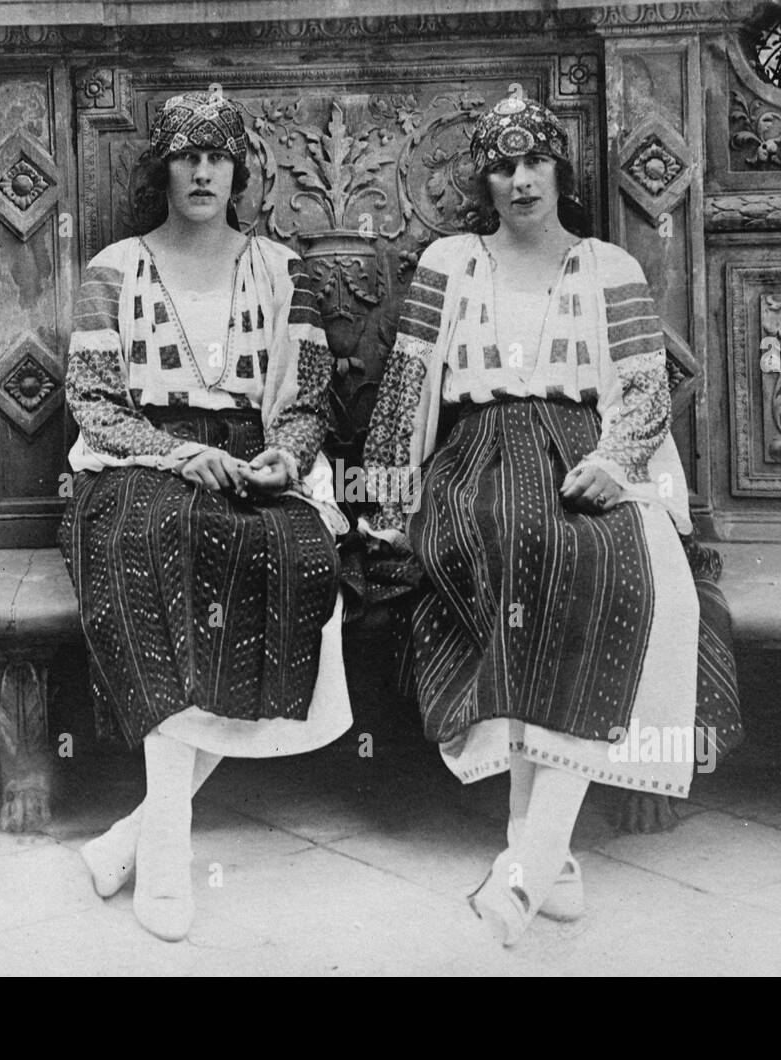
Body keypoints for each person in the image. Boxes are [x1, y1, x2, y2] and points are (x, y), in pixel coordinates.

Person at [361, 94, 739, 946]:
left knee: (624, 568)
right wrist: (386, 503)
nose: (521, 179)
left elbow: (644, 387)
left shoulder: (609, 268)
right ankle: (546, 862)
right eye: (502, 165)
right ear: (484, 181)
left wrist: (614, 462)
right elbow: (408, 389)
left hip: (587, 447)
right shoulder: (451, 263)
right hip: (479, 454)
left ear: (559, 172)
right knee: (519, 549)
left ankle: (531, 863)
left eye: (535, 162)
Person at [58, 91, 351, 943]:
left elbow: (306, 403)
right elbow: (93, 404)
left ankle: (134, 835)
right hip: (138, 462)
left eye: (217, 157)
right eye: (185, 156)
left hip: (251, 459)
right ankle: (171, 852)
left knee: (294, 560)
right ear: (164, 169)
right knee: (159, 548)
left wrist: (283, 459)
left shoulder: (280, 268)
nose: (201, 171)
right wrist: (182, 455)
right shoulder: (115, 267)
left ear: (237, 171)